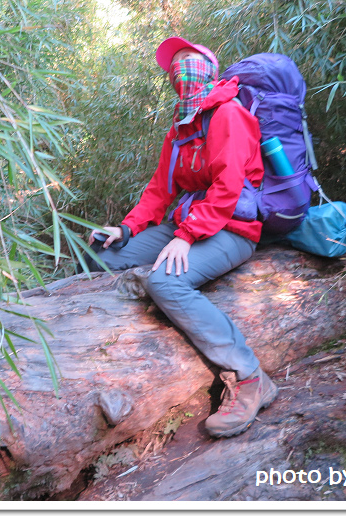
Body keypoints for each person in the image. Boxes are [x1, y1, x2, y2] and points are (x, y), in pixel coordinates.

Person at [87, 36, 277, 438]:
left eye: (189, 62)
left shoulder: (228, 115)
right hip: (186, 226)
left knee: (166, 281)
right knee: (104, 258)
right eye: (174, 68)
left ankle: (250, 377)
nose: (181, 72)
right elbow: (159, 190)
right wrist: (124, 228)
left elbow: (228, 188)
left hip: (232, 230)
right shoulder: (180, 127)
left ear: (209, 68)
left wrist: (187, 236)